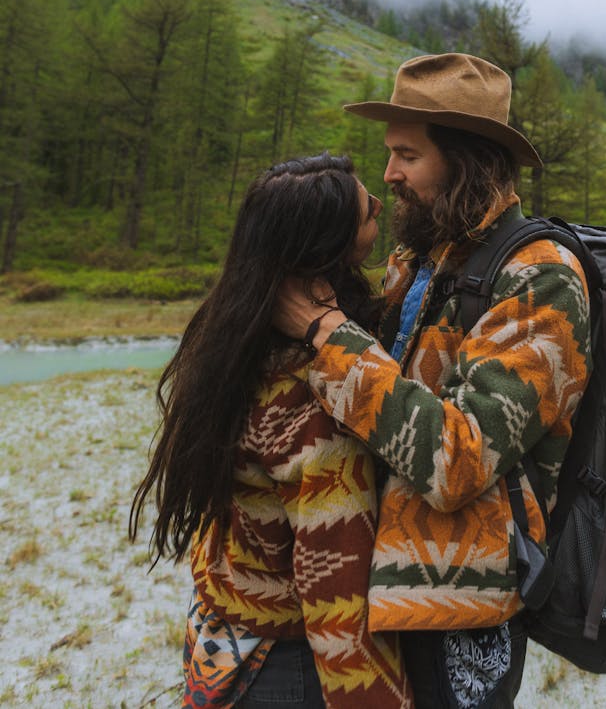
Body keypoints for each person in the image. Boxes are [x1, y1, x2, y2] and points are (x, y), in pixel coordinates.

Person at [274, 53, 593, 708]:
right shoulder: (420, 256)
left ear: (467, 159)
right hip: (373, 589)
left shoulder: (541, 277)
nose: (388, 173)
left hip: (457, 606)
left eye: (407, 155)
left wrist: (326, 334)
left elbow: (459, 458)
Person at [129, 153, 413, 709]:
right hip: (291, 663)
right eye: (370, 211)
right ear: (328, 250)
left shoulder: (230, 345)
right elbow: (338, 594)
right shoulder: (312, 407)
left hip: (222, 626)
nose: (382, 199)